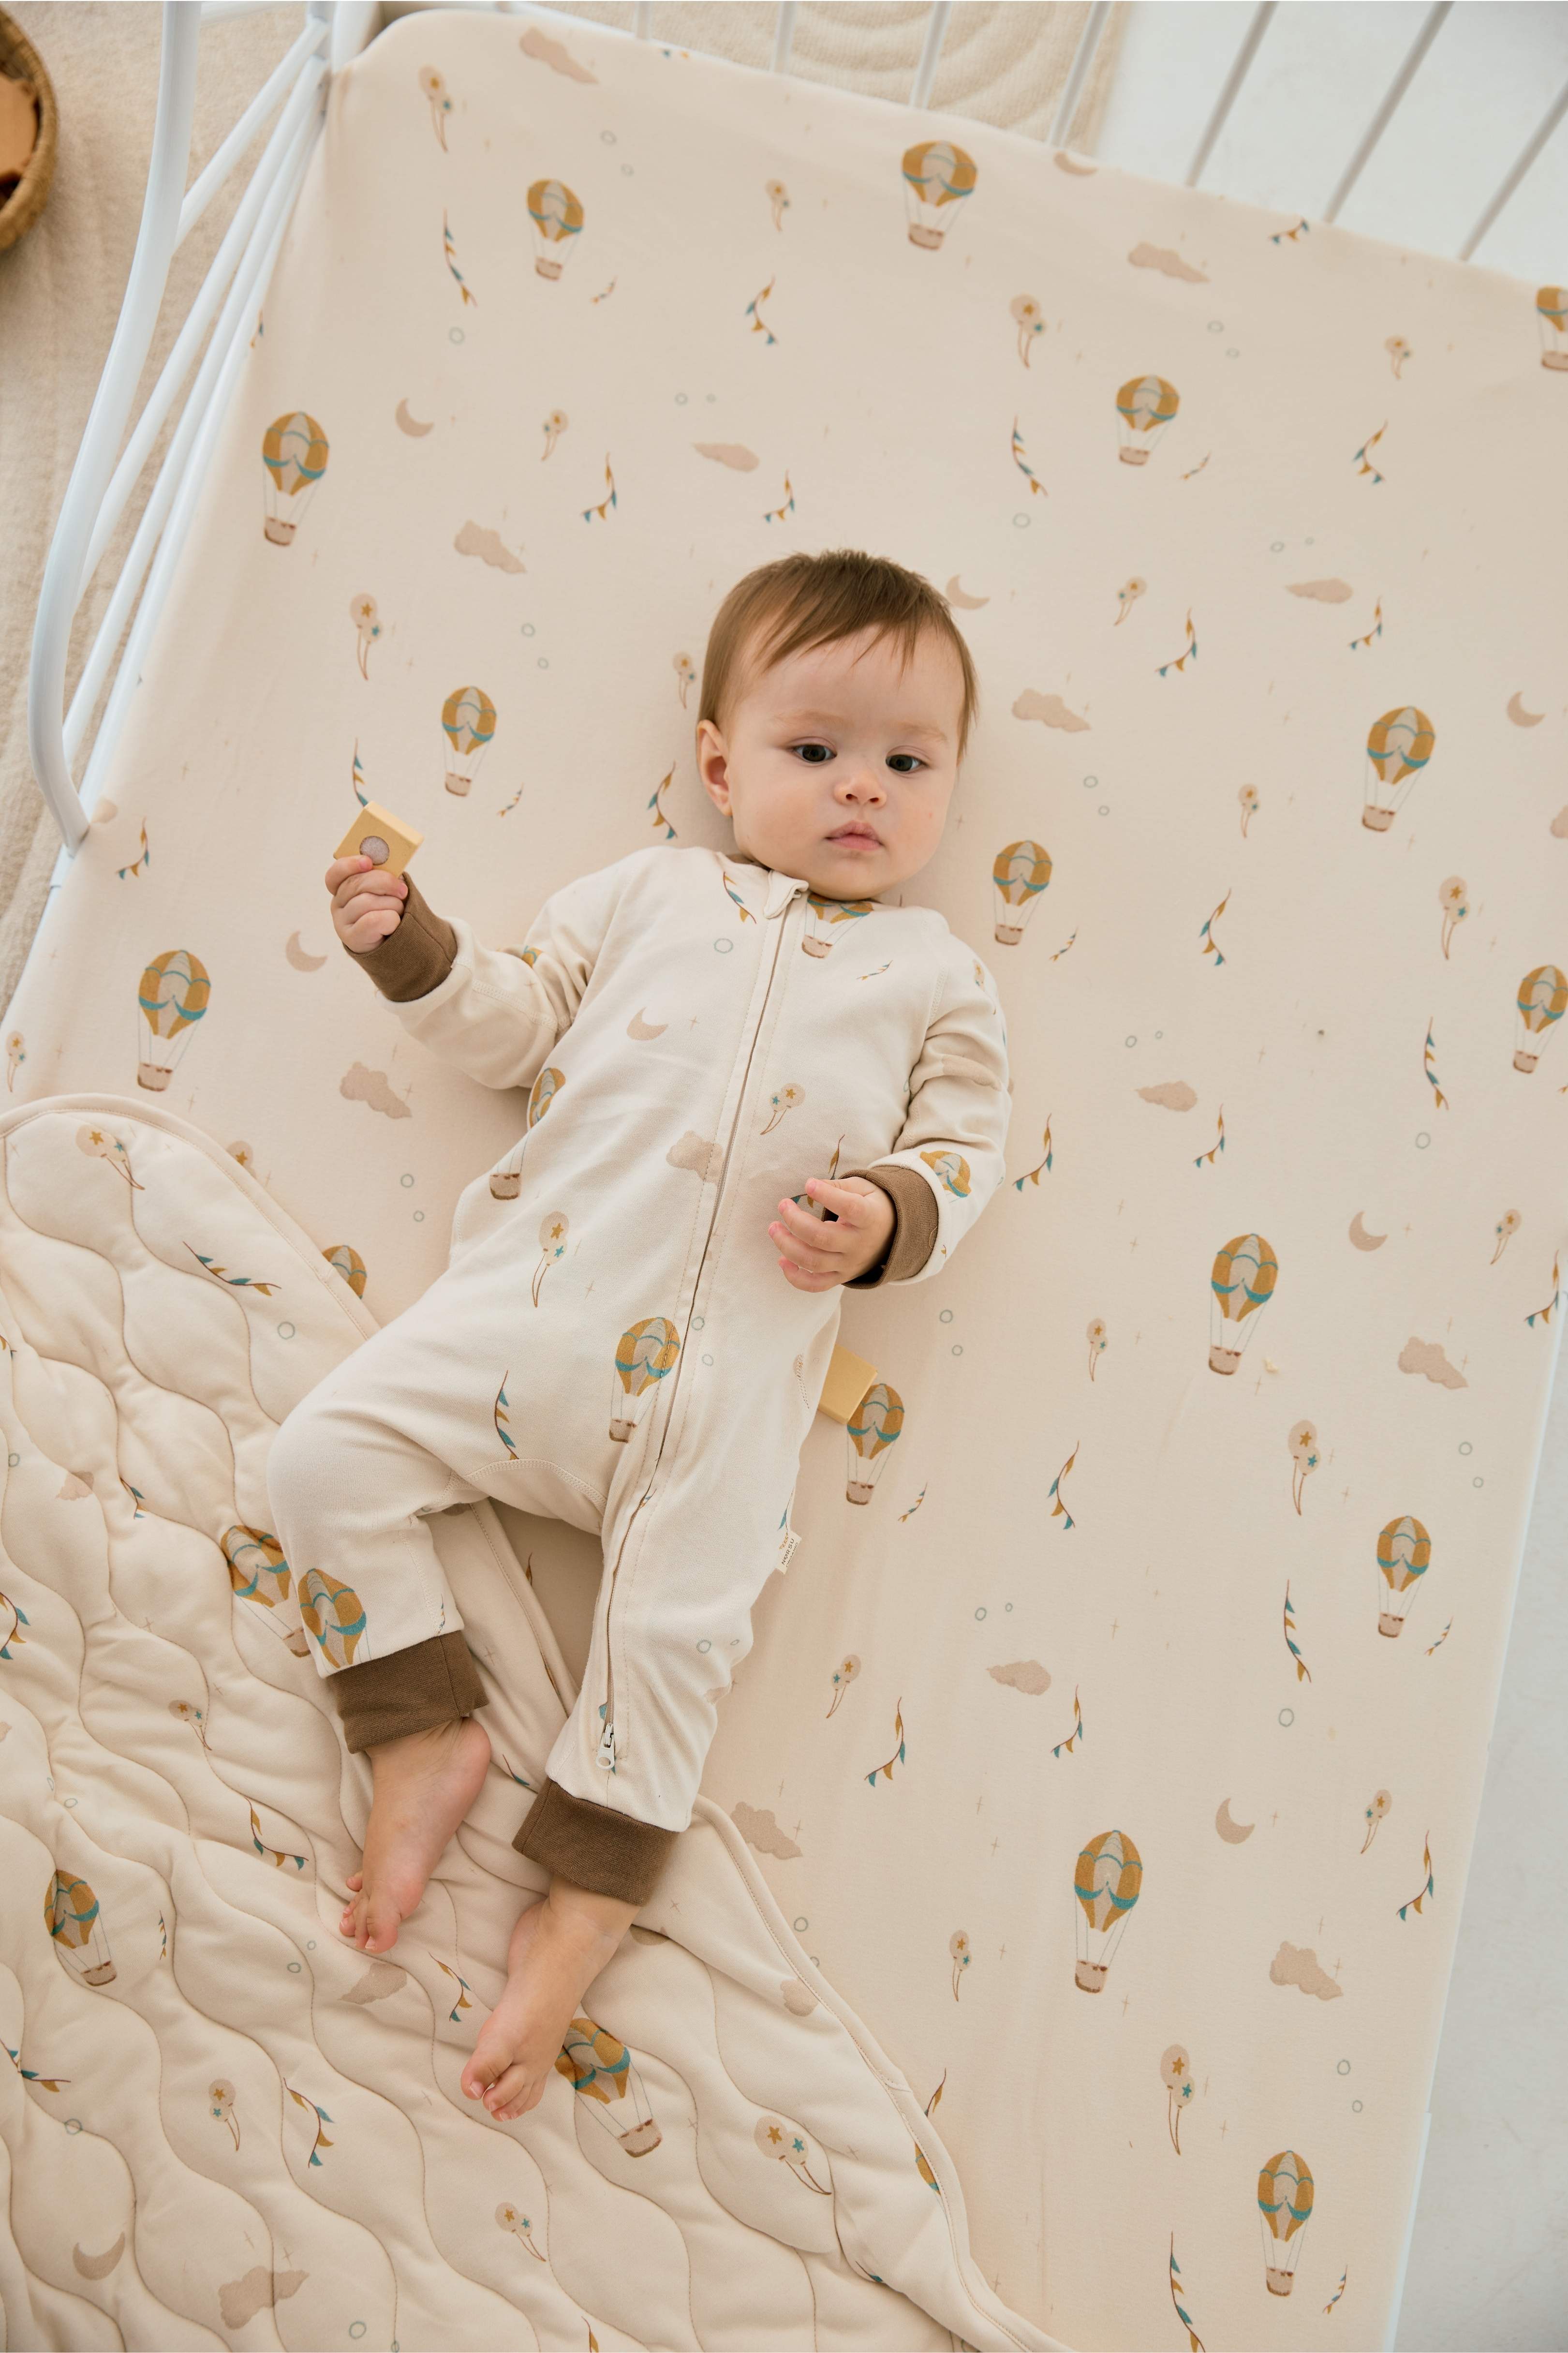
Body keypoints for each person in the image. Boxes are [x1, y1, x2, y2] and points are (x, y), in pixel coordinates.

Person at [266, 545, 1012, 2123]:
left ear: (950, 782)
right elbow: (513, 1023)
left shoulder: (934, 976)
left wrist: (885, 1213)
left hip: (727, 1401)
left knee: (678, 1645)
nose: (861, 789)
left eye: (906, 761)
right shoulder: (646, 893)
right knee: (323, 1453)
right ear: (720, 765)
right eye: (815, 753)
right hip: (527, 1324)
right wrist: (412, 943)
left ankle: (585, 1910)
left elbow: (964, 1152)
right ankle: (419, 1732)